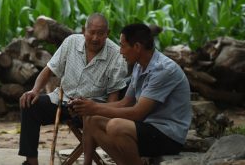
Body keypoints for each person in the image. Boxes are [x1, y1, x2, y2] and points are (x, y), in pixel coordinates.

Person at [69, 23, 192, 165]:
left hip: (168, 136)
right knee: (92, 119)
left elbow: (138, 113)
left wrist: (94, 107)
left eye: (122, 46)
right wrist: (88, 106)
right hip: (148, 128)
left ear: (137, 47)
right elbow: (125, 103)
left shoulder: (162, 70)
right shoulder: (139, 66)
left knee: (116, 126)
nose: (120, 52)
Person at [18, 13, 128, 165]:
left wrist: (95, 109)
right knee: (29, 104)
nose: (95, 38)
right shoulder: (71, 42)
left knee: (92, 117)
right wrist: (34, 90)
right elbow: (49, 69)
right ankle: (31, 162)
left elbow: (112, 100)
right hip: (61, 100)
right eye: (92, 32)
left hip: (90, 109)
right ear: (84, 30)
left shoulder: (116, 56)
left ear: (107, 34)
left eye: (101, 34)